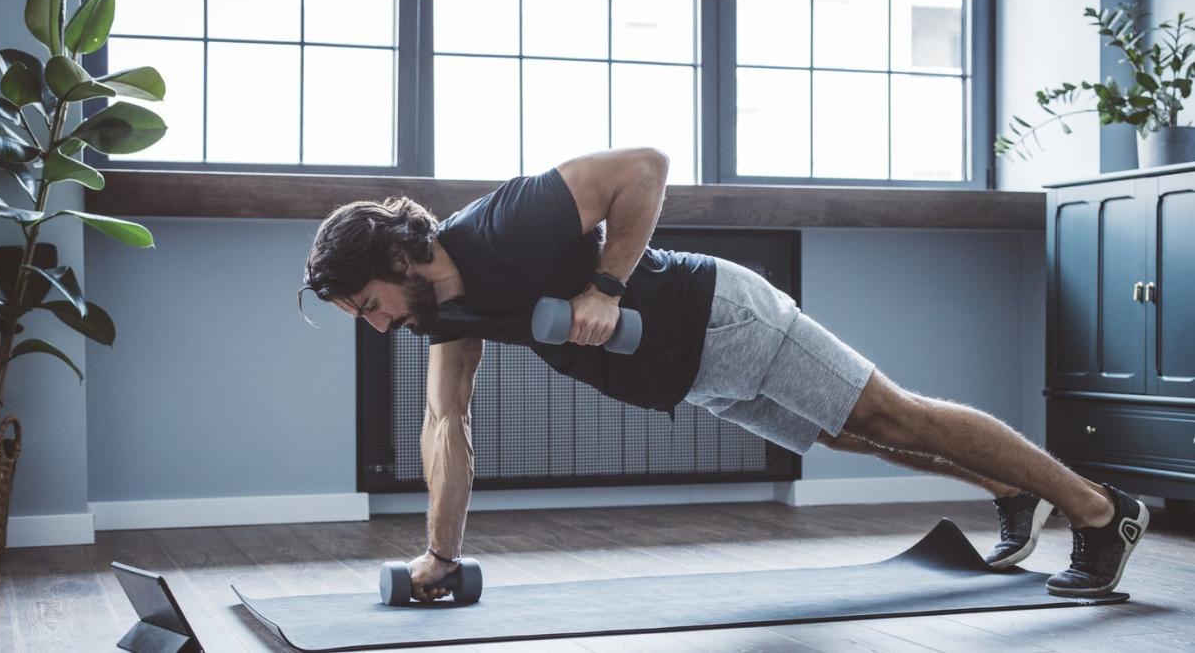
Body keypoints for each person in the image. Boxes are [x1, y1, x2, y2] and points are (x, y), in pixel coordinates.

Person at [299, 147, 1149, 602]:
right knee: (859, 437)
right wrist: (440, 553)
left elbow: (645, 168)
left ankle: (1104, 512)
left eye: (369, 304)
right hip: (696, 375)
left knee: (900, 416)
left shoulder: (503, 222)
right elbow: (446, 426)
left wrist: (603, 284)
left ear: (397, 253)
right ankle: (1013, 491)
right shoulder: (441, 316)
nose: (378, 325)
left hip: (725, 316)